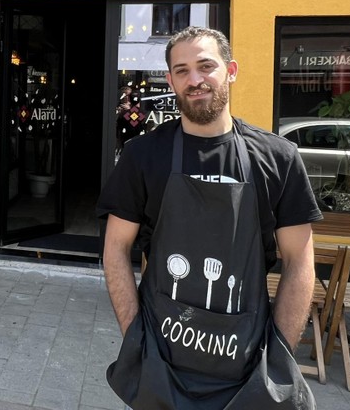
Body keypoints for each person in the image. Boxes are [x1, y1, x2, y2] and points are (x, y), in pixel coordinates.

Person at [98, 27, 322, 410]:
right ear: (169, 80)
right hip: (161, 363)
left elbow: (300, 262)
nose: (194, 79)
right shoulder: (143, 156)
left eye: (206, 66)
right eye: (181, 70)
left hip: (247, 369)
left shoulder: (278, 158)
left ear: (231, 70)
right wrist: (135, 338)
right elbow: (115, 249)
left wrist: (279, 354)